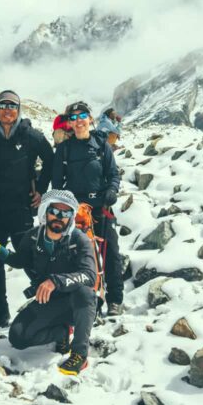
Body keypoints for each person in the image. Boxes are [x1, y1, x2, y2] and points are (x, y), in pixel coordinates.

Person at [0, 190, 97, 376]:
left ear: (71, 217)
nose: (59, 217)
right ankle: (61, 333)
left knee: (85, 293)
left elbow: (90, 276)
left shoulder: (79, 240)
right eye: (55, 211)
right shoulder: (34, 237)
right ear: (45, 212)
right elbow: (18, 261)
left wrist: (55, 281)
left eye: (66, 213)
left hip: (77, 304)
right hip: (48, 302)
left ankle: (79, 354)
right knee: (18, 337)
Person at [0, 90, 54, 327]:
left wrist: (41, 189)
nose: (7, 109)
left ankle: (47, 306)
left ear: (19, 109)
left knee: (31, 258)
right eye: (2, 105)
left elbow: (50, 159)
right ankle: (1, 314)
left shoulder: (30, 135)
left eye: (12, 105)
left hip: (21, 209)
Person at [50, 101, 123, 317]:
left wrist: (112, 190)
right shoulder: (64, 150)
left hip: (101, 207)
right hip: (76, 212)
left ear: (90, 120)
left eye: (83, 116)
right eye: (73, 118)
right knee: (78, 256)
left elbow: (113, 174)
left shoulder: (101, 145)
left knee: (111, 254)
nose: (78, 121)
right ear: (69, 124)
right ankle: (81, 299)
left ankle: (115, 300)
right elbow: (57, 184)